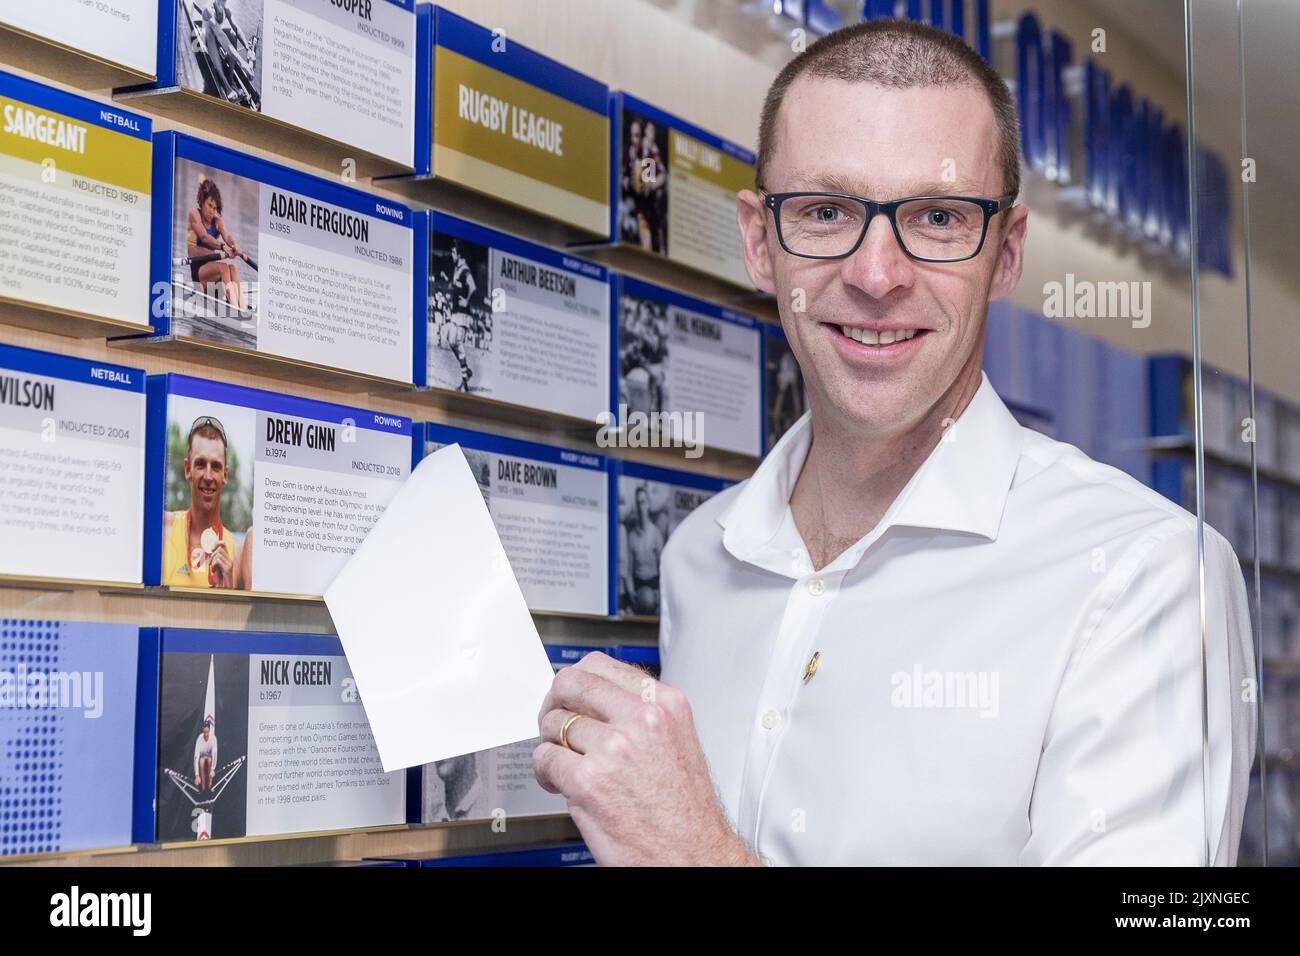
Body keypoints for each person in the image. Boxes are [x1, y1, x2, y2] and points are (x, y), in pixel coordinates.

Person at [532, 19, 1256, 866]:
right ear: (761, 244)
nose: (877, 276)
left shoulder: (1148, 580)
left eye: (940, 216)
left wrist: (696, 856)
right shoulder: (702, 556)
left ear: (1007, 253)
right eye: (827, 211)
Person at [163, 416, 242, 589]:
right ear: (187, 469)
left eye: (215, 466)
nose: (208, 476)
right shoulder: (163, 529)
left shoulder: (237, 551)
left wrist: (228, 588)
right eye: (200, 464)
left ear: (225, 475)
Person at [186, 177, 247, 313]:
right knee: (224, 267)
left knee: (232, 268)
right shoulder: (194, 215)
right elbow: (204, 237)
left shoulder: (217, 221)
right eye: (209, 205)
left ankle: (241, 306)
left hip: (211, 274)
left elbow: (228, 237)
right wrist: (222, 247)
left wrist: (234, 246)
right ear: (202, 202)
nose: (212, 210)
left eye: (215, 208)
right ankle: (234, 308)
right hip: (198, 273)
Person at [622, 485, 666, 615]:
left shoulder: (656, 534)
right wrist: (631, 592)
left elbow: (663, 570)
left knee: (649, 600)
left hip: (653, 585)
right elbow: (629, 571)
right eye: (638, 503)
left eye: (643, 502)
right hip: (638, 585)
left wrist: (659, 593)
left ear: (648, 505)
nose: (641, 507)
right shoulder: (631, 537)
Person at [194, 718, 218, 791]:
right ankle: (203, 786)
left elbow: (215, 755)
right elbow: (195, 758)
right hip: (203, 757)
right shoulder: (199, 739)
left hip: (210, 757)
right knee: (201, 762)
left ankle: (210, 786)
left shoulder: (213, 738)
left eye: (207, 732)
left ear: (210, 730)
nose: (206, 734)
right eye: (204, 732)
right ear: (202, 731)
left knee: (210, 760)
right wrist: (197, 775)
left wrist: (212, 769)